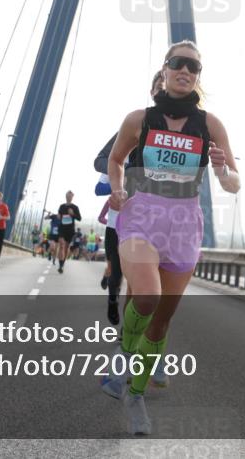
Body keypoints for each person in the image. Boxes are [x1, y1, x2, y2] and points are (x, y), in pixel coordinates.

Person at [101, 40, 240, 435]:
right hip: (141, 214)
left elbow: (232, 183)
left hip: (183, 223)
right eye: (178, 64)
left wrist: (222, 171)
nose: (186, 71)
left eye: (194, 67)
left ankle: (136, 395)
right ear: (164, 70)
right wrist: (117, 187)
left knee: (161, 323)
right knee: (146, 297)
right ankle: (123, 359)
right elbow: (115, 159)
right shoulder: (138, 119)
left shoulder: (210, 124)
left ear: (198, 77)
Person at [94, 71, 166, 326]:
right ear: (152, 92)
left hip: (159, 219)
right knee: (118, 274)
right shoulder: (136, 124)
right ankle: (114, 301)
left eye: (165, 86)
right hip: (122, 217)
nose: (163, 90)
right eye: (158, 86)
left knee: (145, 283)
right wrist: (121, 176)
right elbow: (101, 160)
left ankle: (134, 330)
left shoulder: (185, 133)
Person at [55, 191, 82, 274]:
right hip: (62, 228)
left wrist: (73, 214)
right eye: (67, 196)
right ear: (65, 196)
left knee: (66, 248)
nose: (69, 197)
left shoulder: (75, 207)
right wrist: (58, 216)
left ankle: (62, 264)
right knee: (62, 245)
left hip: (70, 230)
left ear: (72, 197)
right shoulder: (61, 206)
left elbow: (79, 218)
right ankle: (60, 265)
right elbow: (59, 215)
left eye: (70, 196)